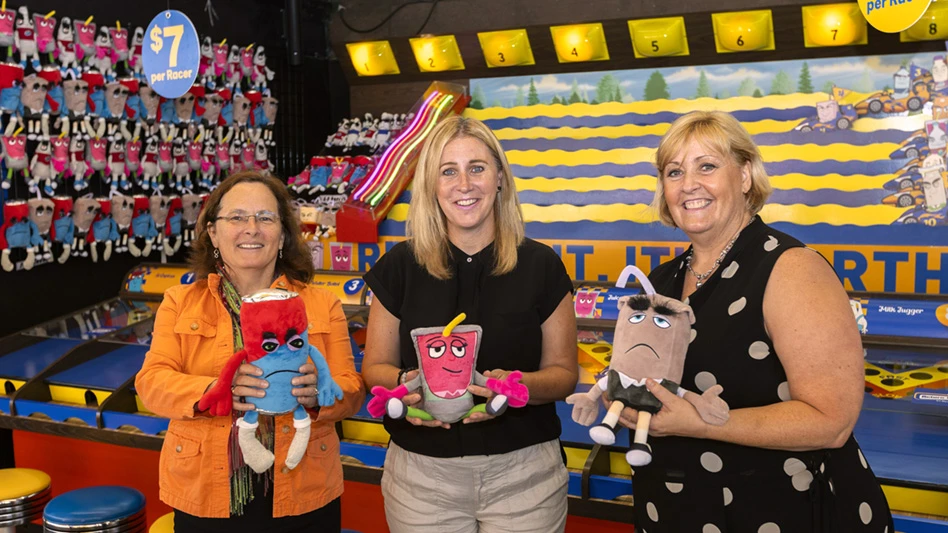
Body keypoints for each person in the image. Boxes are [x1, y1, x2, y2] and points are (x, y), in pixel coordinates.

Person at [622, 110, 892, 532]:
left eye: (707, 166)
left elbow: (831, 421)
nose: (688, 184)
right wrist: (626, 399)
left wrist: (702, 424)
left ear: (745, 175)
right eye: (674, 172)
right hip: (677, 508)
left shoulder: (790, 268)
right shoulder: (662, 281)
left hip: (780, 510)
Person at [361, 115, 578, 533]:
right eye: (449, 171)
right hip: (421, 481)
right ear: (432, 186)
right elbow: (374, 369)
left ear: (499, 177)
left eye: (477, 167)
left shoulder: (542, 266)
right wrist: (409, 387)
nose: (464, 184)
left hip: (525, 476)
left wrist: (514, 388)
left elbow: (564, 375)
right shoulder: (399, 268)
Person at [136, 171, 365, 532]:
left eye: (265, 218)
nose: (251, 228)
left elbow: (351, 389)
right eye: (237, 217)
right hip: (206, 492)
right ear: (213, 231)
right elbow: (151, 383)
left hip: (305, 489)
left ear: (283, 235)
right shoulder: (179, 302)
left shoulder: (322, 304)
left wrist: (319, 393)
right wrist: (216, 389)